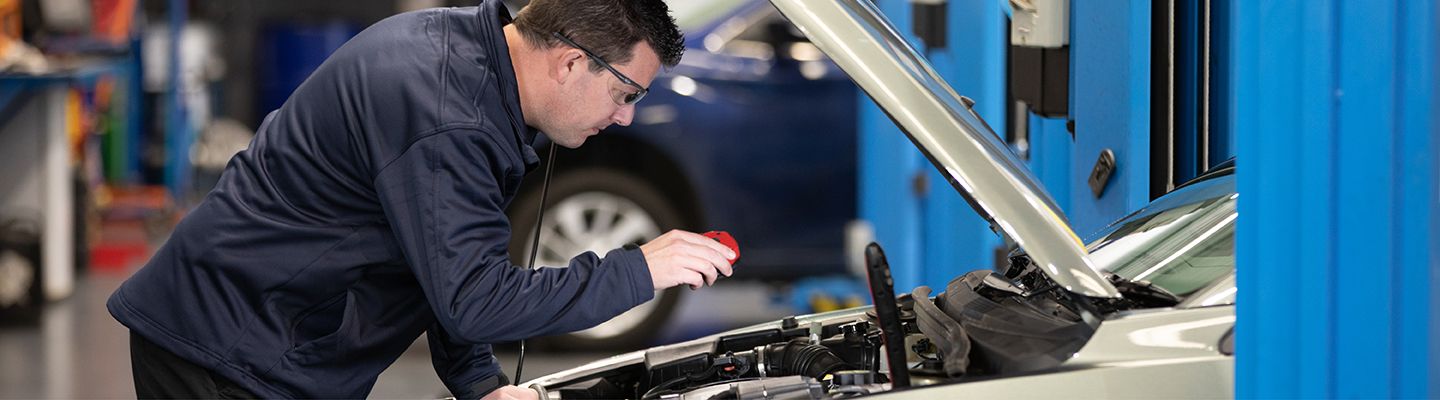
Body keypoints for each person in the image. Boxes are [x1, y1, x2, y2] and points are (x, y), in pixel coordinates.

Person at [108, 0, 736, 398]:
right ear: (572, 62)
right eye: (627, 94)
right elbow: (473, 301)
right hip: (227, 351)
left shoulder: (476, 70)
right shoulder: (449, 114)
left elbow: (440, 260)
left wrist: (480, 385)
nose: (626, 119)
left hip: (263, 334)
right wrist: (639, 269)